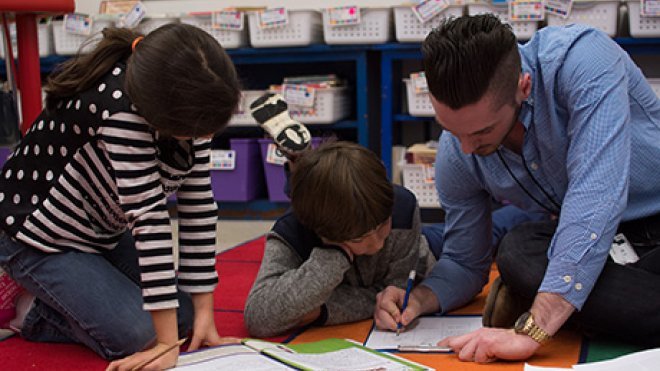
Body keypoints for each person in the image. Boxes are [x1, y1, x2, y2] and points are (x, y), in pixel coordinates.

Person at [374, 14, 660, 362]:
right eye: (451, 130)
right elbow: (465, 261)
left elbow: (594, 200)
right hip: (614, 253)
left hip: (643, 223)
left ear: (523, 87)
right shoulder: (458, 153)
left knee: (569, 262)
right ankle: (589, 311)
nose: (465, 148)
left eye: (480, 132)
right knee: (518, 251)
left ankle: (581, 312)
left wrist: (533, 329)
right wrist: (418, 299)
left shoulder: (583, 59)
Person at [0, 24, 241, 370]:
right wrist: (163, 345)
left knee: (184, 314)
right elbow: (149, 219)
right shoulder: (119, 111)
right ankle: (27, 310)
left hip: (98, 230)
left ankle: (69, 293)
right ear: (159, 113)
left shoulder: (186, 105)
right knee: (136, 334)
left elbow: (199, 206)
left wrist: (205, 313)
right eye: (193, 133)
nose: (201, 138)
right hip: (37, 238)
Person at [243, 140, 535, 337]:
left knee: (489, 232)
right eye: (359, 239)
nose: (376, 245)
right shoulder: (290, 234)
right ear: (323, 232)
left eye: (383, 226)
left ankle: (539, 212)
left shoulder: (402, 207)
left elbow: (393, 289)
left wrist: (319, 308)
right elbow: (259, 316)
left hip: (425, 251)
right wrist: (335, 258)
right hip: (344, 258)